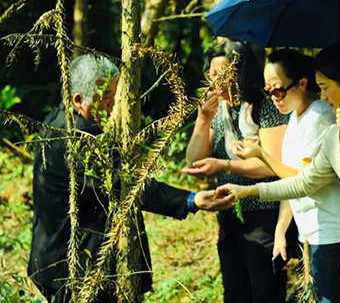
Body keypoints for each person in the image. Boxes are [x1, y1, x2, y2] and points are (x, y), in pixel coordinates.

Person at [217, 45, 340, 303]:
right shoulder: (336, 133)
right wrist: (247, 191)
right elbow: (305, 181)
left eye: (325, 87)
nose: (322, 97)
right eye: (319, 87)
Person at [27, 54, 234, 302]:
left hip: (69, 259)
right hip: (74, 268)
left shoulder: (60, 118)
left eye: (114, 94)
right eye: (105, 98)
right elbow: (126, 185)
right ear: (78, 100)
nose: (113, 104)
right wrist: (191, 199)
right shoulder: (78, 139)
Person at [228, 48, 340, 303]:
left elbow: (303, 180)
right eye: (267, 91)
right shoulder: (296, 118)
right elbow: (288, 182)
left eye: (277, 90)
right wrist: (280, 231)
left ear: (301, 83)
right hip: (311, 230)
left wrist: (262, 155)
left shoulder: (320, 117)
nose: (274, 98)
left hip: (332, 228)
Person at [184, 40, 291, 303]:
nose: (215, 82)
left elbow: (273, 165)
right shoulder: (220, 109)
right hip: (230, 214)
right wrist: (202, 120)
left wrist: (224, 165)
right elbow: (194, 160)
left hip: (263, 212)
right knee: (235, 291)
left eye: (223, 74)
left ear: (240, 73)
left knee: (266, 292)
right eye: (212, 75)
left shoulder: (264, 105)